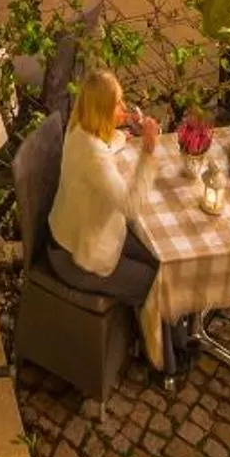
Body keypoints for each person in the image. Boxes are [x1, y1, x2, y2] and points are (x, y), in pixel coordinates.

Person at [47, 70, 163, 307]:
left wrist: (122, 136)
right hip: (76, 258)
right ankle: (161, 342)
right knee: (158, 283)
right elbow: (130, 206)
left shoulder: (77, 126)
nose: (123, 107)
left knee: (159, 259)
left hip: (64, 236)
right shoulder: (94, 156)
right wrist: (148, 152)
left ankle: (166, 338)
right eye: (117, 103)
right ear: (101, 109)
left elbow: (103, 146)